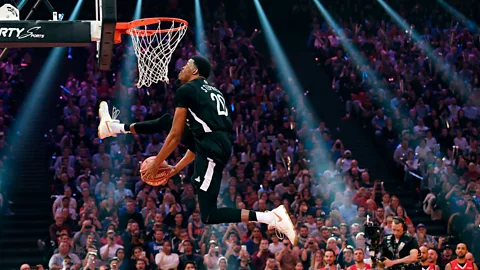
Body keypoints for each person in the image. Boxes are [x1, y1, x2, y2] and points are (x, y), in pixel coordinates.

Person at [97, 55, 297, 244]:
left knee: (209, 214)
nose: (182, 67)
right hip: (213, 143)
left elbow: (175, 137)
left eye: (186, 64)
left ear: (194, 70)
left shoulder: (186, 90)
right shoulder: (212, 91)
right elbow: (193, 143)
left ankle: (271, 217)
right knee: (167, 120)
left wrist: (156, 163)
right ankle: (113, 127)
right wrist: (175, 168)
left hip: (213, 148)